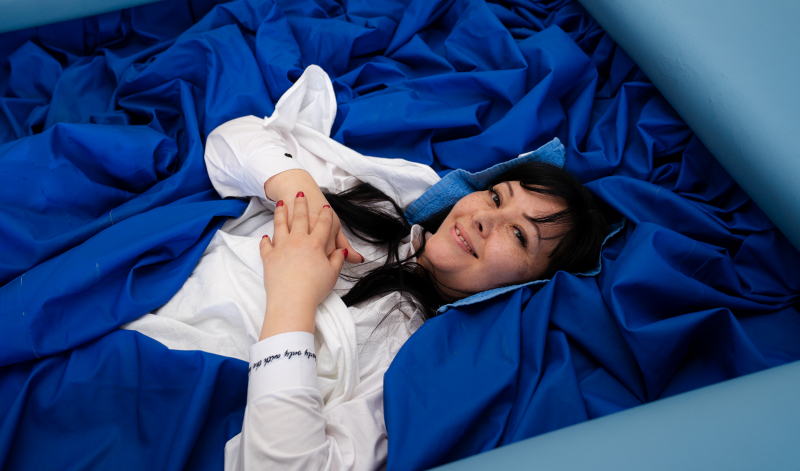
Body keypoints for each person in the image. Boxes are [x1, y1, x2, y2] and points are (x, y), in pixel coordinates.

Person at [122, 66, 607, 471]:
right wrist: (297, 187)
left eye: (519, 235)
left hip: (139, 392)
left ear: (529, 287)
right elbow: (231, 141)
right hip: (123, 290)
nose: (485, 218)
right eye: (497, 196)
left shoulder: (413, 363)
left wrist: (292, 298)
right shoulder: (375, 205)